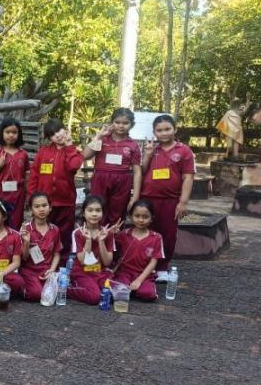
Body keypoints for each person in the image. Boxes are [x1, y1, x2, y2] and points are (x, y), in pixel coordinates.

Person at [138, 114, 195, 281]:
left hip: (170, 200)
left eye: (167, 129)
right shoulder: (151, 148)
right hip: (147, 199)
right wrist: (147, 155)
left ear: (175, 129)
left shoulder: (184, 151)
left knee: (168, 235)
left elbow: (188, 177)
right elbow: (141, 172)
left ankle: (162, 268)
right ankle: (144, 266)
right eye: (159, 130)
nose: (164, 133)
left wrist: (183, 202)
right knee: (146, 232)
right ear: (154, 132)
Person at [28, 119, 82, 257]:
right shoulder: (43, 152)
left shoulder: (73, 151)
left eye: (58, 130)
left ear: (65, 130)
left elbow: (74, 166)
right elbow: (34, 174)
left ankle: (62, 262)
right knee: (43, 231)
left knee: (64, 234)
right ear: (49, 138)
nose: (57, 135)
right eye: (52, 134)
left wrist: (69, 147)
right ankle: (43, 259)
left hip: (65, 202)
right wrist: (32, 195)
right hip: (45, 203)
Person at [82, 108, 142, 227]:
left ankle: (114, 237)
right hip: (100, 179)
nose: (121, 126)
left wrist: (135, 195)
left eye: (125, 123)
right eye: (117, 122)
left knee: (117, 212)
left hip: (122, 182)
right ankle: (95, 235)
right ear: (112, 122)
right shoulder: (102, 139)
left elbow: (137, 172)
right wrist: (98, 136)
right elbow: (85, 155)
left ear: (132, 125)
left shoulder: (133, 145)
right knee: (97, 208)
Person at [68, 195, 118, 305]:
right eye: (90, 210)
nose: (94, 214)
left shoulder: (108, 233)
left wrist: (101, 241)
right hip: (82, 272)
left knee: (115, 294)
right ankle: (66, 289)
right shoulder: (77, 233)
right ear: (84, 213)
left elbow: (107, 262)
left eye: (98, 210)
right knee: (94, 297)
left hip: (100, 271)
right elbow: (83, 261)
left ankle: (96, 288)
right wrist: (88, 240)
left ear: (103, 213)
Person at [113, 199, 164, 301]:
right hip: (124, 273)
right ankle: (129, 289)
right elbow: (111, 249)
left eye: (145, 217)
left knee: (148, 294)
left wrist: (139, 281)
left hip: (144, 274)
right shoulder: (124, 234)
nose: (141, 220)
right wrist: (112, 234)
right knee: (118, 290)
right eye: (137, 216)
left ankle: (133, 289)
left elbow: (153, 262)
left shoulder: (156, 237)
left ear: (152, 218)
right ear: (130, 217)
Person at [19, 193, 62, 302]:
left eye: (44, 205)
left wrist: (52, 270)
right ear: (31, 209)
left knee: (59, 291)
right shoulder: (26, 229)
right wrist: (26, 242)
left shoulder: (55, 230)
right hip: (30, 271)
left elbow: (57, 253)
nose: (41, 209)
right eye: (37, 206)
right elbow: (24, 258)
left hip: (47, 271)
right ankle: (20, 288)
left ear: (50, 207)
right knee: (36, 294)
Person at [0, 117, 29, 230]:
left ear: (19, 134)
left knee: (16, 222)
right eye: (7, 132)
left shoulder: (23, 154)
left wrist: (27, 195)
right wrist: (0, 166)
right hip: (0, 192)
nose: (11, 135)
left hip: (18, 193)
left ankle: (14, 240)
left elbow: (26, 176)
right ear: (1, 133)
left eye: (14, 132)